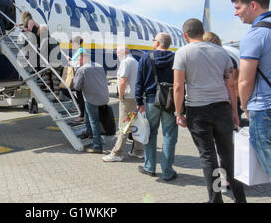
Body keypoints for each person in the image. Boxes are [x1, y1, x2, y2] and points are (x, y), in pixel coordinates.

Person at [173, 18, 246, 203]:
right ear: (202, 31)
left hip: (197, 110)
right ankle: (240, 198)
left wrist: (178, 113)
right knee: (228, 155)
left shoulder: (182, 53)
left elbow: (178, 87)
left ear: (185, 35)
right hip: (222, 108)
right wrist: (235, 113)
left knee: (208, 157)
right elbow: (231, 86)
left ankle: (216, 199)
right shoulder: (222, 53)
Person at [232, 0, 271, 179]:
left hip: (264, 107)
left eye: (238, 8)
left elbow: (245, 81)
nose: (235, 13)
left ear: (253, 5)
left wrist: (244, 105)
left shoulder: (254, 35)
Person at [135, 33, 178, 181]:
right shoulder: (175, 57)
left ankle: (149, 167)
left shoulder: (146, 57)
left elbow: (139, 81)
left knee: (150, 133)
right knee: (169, 135)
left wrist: (138, 101)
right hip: (170, 102)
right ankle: (167, 171)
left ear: (158, 42)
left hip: (151, 101)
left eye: (153, 40)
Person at [102, 46, 144, 162]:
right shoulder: (135, 62)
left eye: (118, 53)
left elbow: (123, 81)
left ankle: (117, 153)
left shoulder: (126, 62)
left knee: (124, 127)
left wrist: (120, 96)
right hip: (135, 98)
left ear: (124, 52)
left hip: (128, 100)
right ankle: (138, 151)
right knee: (136, 125)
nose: (117, 56)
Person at [203, 32, 248, 128]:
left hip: (207, 103)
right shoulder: (225, 57)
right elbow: (233, 85)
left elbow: (234, 85)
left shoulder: (227, 56)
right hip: (221, 101)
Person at [73, 51, 109, 154]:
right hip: (103, 98)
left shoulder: (82, 69)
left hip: (91, 99)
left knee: (94, 122)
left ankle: (97, 146)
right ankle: (89, 132)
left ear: (84, 58)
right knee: (88, 115)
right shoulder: (99, 66)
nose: (78, 62)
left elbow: (77, 87)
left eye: (79, 59)